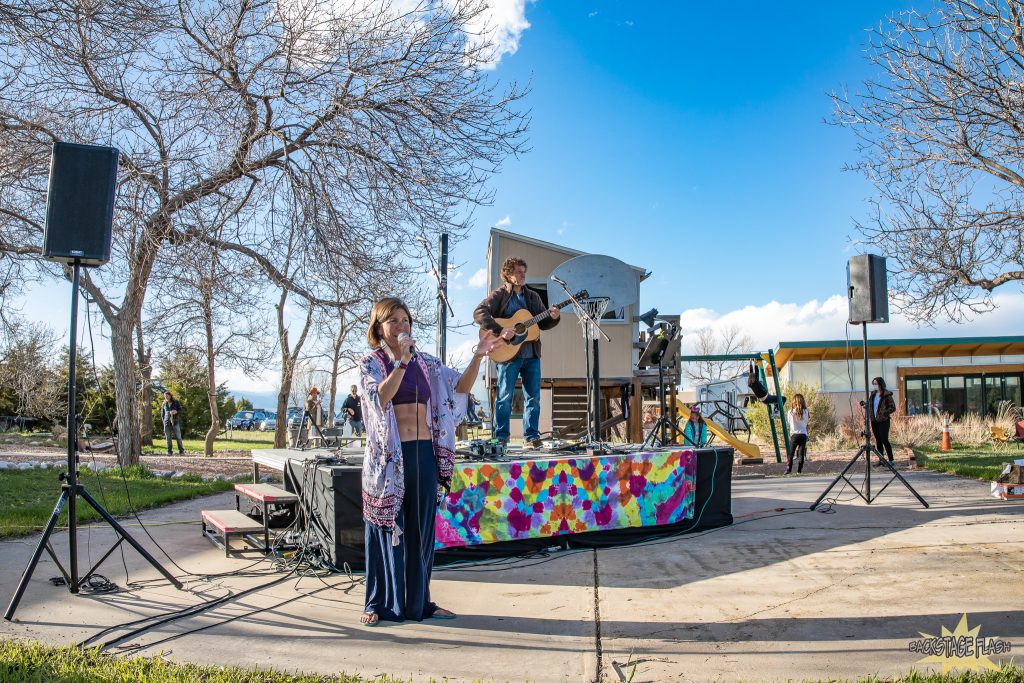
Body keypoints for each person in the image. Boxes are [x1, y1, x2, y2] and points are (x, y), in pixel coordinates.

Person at [359, 297, 499, 626]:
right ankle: (378, 602)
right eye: (393, 321)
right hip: (389, 459)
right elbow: (379, 398)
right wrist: (401, 364)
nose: (402, 326)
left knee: (421, 530)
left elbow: (460, 387)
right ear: (379, 327)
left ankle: (419, 603)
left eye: (405, 320)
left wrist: (478, 356)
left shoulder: (426, 363)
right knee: (386, 527)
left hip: (423, 453)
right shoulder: (371, 363)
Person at [473, 257, 561, 448]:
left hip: (531, 354)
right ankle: (501, 437)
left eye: (524, 271)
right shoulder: (500, 295)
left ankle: (531, 437)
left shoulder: (533, 297)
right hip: (508, 355)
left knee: (533, 398)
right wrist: (500, 330)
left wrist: (553, 317)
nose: (522, 275)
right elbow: (479, 312)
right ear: (508, 274)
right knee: (504, 397)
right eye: (518, 272)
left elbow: (542, 324)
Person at [868, 376, 897, 465]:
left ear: (880, 384)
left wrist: (884, 413)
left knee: (884, 439)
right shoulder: (873, 394)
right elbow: (870, 405)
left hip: (884, 420)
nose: (874, 385)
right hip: (874, 420)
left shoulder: (886, 395)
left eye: (876, 384)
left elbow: (893, 407)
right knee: (878, 440)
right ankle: (881, 459)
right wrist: (866, 406)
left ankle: (891, 460)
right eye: (873, 384)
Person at [786, 393, 809, 474]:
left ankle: (789, 469)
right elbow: (806, 423)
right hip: (803, 434)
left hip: (794, 434)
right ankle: (799, 470)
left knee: (791, 453)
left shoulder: (790, 412)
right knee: (801, 453)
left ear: (794, 402)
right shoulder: (806, 411)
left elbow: (789, 422)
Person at [161, 391, 184, 455]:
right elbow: (162, 414)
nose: (166, 397)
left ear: (170, 396)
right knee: (168, 438)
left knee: (178, 437)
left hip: (175, 422)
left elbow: (181, 410)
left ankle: (181, 451)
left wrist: (176, 411)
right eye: (165, 396)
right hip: (166, 423)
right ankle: (169, 451)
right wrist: (164, 421)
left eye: (167, 396)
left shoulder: (176, 402)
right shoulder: (164, 404)